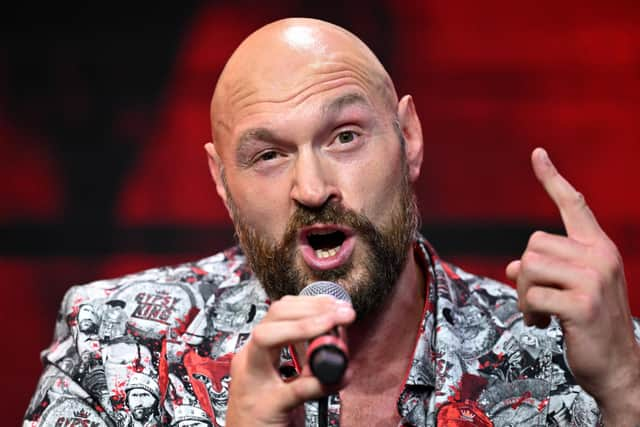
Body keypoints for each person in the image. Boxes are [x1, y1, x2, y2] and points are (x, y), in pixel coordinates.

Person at [25, 18, 640, 426]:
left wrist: (624, 391)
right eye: (268, 155)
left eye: (345, 137)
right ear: (220, 181)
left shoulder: (576, 352)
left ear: (410, 139)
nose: (313, 189)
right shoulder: (112, 343)